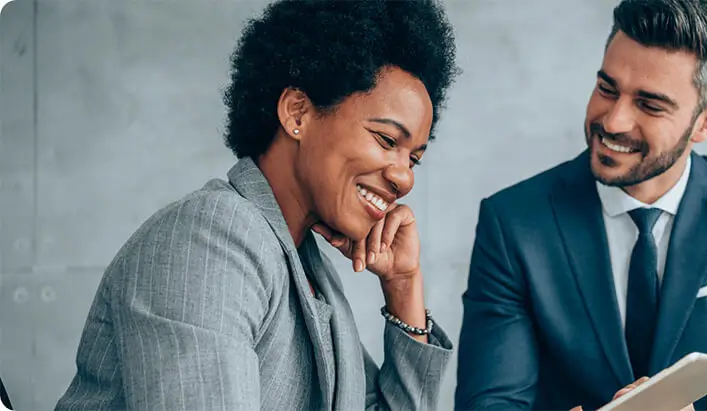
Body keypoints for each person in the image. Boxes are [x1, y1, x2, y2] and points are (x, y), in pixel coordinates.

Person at [55, 0, 458, 409]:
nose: (404, 178)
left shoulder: (308, 269)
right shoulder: (211, 238)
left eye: (414, 159)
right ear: (297, 112)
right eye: (387, 140)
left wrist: (403, 285)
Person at [454, 0, 707, 410]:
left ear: (706, 123)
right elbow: (489, 404)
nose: (613, 121)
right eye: (606, 89)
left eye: (649, 105)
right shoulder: (513, 222)